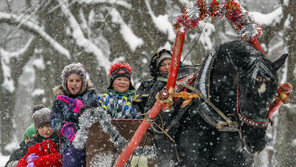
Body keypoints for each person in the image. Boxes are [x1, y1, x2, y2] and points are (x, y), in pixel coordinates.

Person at [51, 63, 98, 167]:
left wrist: (80, 107)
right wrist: (63, 126)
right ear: (65, 82)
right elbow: (54, 118)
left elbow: (94, 112)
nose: (74, 83)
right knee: (72, 155)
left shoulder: (90, 95)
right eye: (71, 80)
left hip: (90, 137)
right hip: (69, 141)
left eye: (78, 81)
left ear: (83, 83)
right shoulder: (60, 99)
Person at [133, 49, 172, 113]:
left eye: (170, 64)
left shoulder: (183, 84)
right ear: (157, 68)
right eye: (163, 65)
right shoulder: (147, 85)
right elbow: (137, 108)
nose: (167, 67)